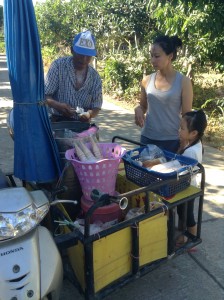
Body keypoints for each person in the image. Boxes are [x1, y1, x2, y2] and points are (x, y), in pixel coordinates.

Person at [134, 35, 193, 152]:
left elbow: (187, 116)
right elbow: (143, 106)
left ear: (170, 56)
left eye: (157, 56)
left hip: (171, 141)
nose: (152, 60)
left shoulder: (184, 82)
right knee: (144, 169)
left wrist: (184, 143)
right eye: (151, 56)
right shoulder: (146, 80)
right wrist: (138, 109)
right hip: (147, 138)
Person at [45, 30, 103, 122]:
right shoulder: (58, 66)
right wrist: (58, 106)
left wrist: (89, 114)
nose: (84, 60)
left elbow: (96, 106)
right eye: (80, 55)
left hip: (81, 125)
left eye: (88, 56)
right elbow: (45, 96)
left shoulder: (95, 77)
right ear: (72, 50)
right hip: (56, 122)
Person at [176, 109, 207, 246]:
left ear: (193, 133)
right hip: (190, 185)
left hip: (187, 187)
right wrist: (183, 145)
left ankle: (191, 239)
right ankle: (183, 234)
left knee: (187, 215)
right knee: (182, 211)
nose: (179, 130)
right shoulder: (195, 144)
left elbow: (181, 169)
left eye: (182, 128)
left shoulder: (190, 152)